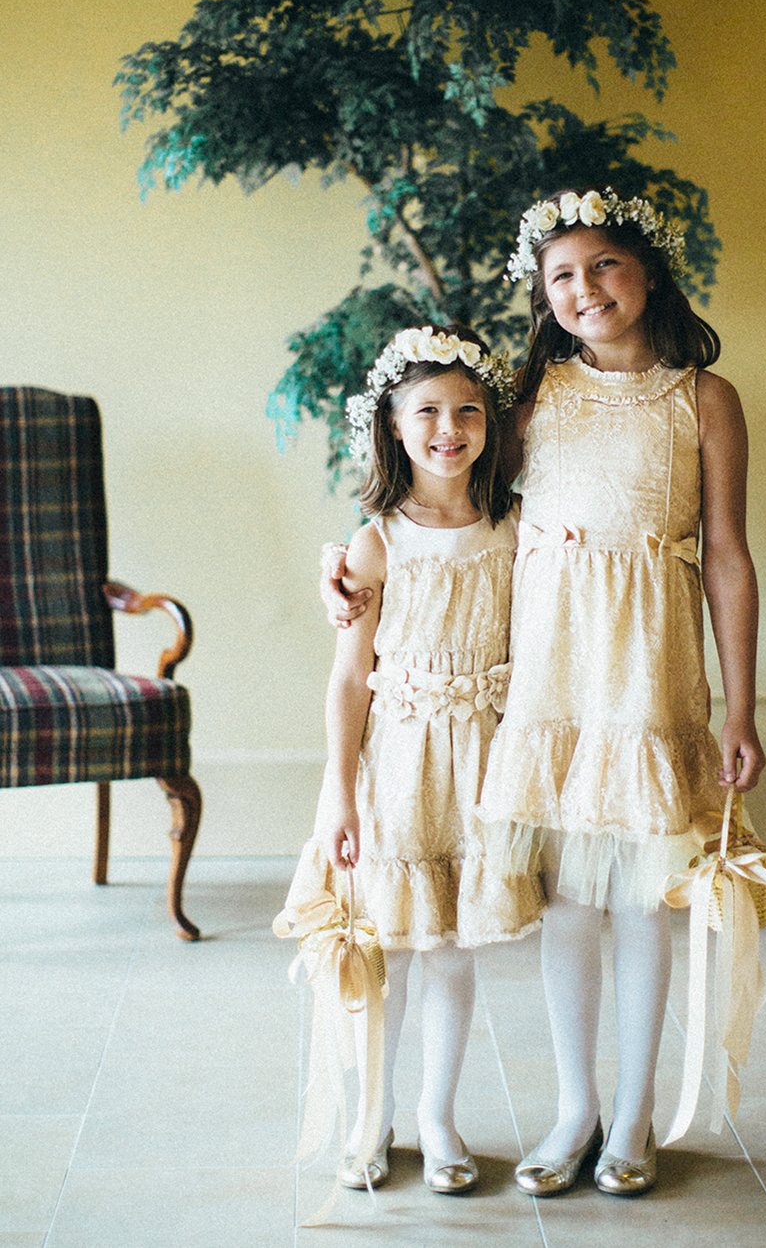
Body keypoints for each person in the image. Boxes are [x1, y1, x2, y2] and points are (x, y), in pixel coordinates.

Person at [326, 189, 766, 1198]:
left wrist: (740, 706)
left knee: (639, 901)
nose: (586, 290)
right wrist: (349, 571)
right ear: (543, 294)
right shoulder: (531, 398)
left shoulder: (702, 398)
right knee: (571, 899)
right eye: (562, 276)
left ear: (648, 272)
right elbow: (450, 509)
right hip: (550, 677)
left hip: (650, 673)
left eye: (605, 266)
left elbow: (729, 558)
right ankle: (573, 1107)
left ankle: (633, 1116)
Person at [279, 326, 541, 1194]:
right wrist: (341, 792)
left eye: (469, 410)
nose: (449, 428)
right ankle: (373, 1114)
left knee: (452, 945)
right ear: (394, 425)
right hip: (396, 763)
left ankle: (439, 1115)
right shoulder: (376, 541)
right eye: (427, 410)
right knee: (384, 943)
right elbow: (349, 678)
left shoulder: (515, 526)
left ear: (491, 425)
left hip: (482, 764)